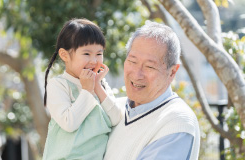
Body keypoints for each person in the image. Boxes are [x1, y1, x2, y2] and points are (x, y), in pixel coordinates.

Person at [104, 21, 200, 160]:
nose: (137, 74)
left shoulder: (177, 121)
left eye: (149, 67)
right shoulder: (114, 109)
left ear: (172, 72)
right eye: (132, 61)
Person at [42, 18, 122, 160]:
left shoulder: (101, 85)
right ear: (64, 55)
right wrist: (87, 90)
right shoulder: (58, 85)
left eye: (99, 54)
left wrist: (96, 85)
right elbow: (69, 123)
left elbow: (115, 119)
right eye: (86, 54)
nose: (94, 61)